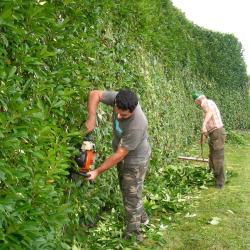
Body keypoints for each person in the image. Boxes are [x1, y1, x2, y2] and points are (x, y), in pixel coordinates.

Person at [85, 89, 151, 241]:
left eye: (124, 115)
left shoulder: (138, 124)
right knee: (128, 191)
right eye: (118, 112)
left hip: (136, 160)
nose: (119, 117)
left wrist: (97, 171)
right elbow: (94, 93)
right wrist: (92, 117)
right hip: (122, 156)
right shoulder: (118, 99)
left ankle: (133, 236)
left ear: (133, 110)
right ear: (116, 102)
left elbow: (120, 154)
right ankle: (143, 219)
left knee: (130, 195)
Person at [192, 91, 226, 189]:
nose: (197, 105)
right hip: (214, 133)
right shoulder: (208, 105)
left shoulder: (205, 103)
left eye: (196, 103)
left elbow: (209, 113)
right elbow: (207, 127)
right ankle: (213, 177)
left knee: (217, 157)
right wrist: (203, 138)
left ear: (197, 100)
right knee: (212, 157)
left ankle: (220, 183)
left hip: (217, 133)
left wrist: (203, 125)